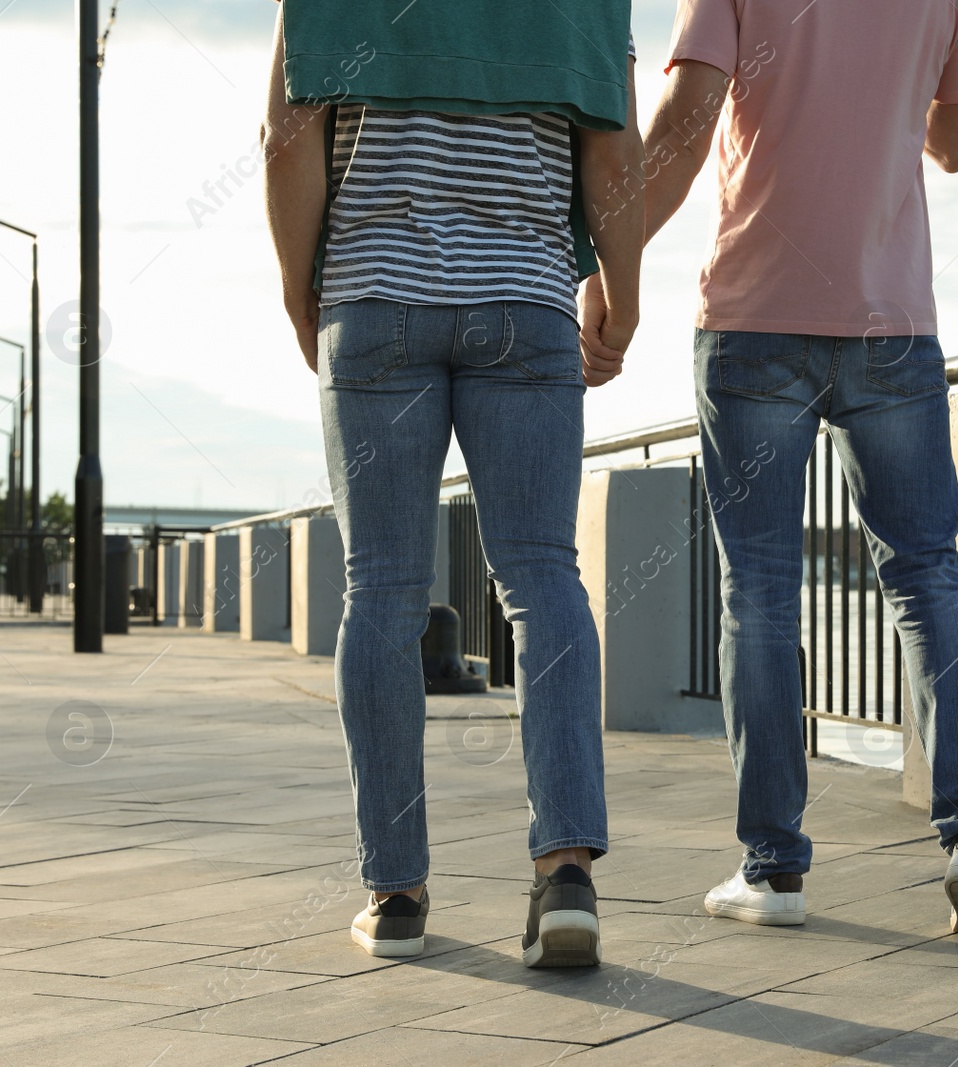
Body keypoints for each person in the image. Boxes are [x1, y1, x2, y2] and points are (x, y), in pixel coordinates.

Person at [590, 0, 958, 936]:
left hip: (755, 316)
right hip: (891, 324)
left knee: (761, 593)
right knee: (926, 575)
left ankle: (774, 871)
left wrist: (609, 260)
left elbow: (685, 128)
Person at [262, 0, 643, 966]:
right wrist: (620, 294)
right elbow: (609, 151)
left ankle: (395, 892)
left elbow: (288, 134)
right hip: (526, 296)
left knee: (381, 593)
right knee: (543, 578)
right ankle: (565, 875)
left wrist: (304, 293)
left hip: (375, 295)